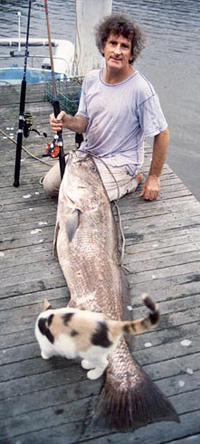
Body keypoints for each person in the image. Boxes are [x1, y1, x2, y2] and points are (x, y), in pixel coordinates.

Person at [44, 13, 169, 202]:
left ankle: (132, 179)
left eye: (124, 46)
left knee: (82, 197)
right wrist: (66, 120)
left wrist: (154, 177)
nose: (117, 51)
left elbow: (162, 133)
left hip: (121, 163)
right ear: (103, 47)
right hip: (90, 155)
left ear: (132, 54)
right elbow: (83, 123)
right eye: (113, 43)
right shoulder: (91, 79)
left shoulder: (142, 89)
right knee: (50, 186)